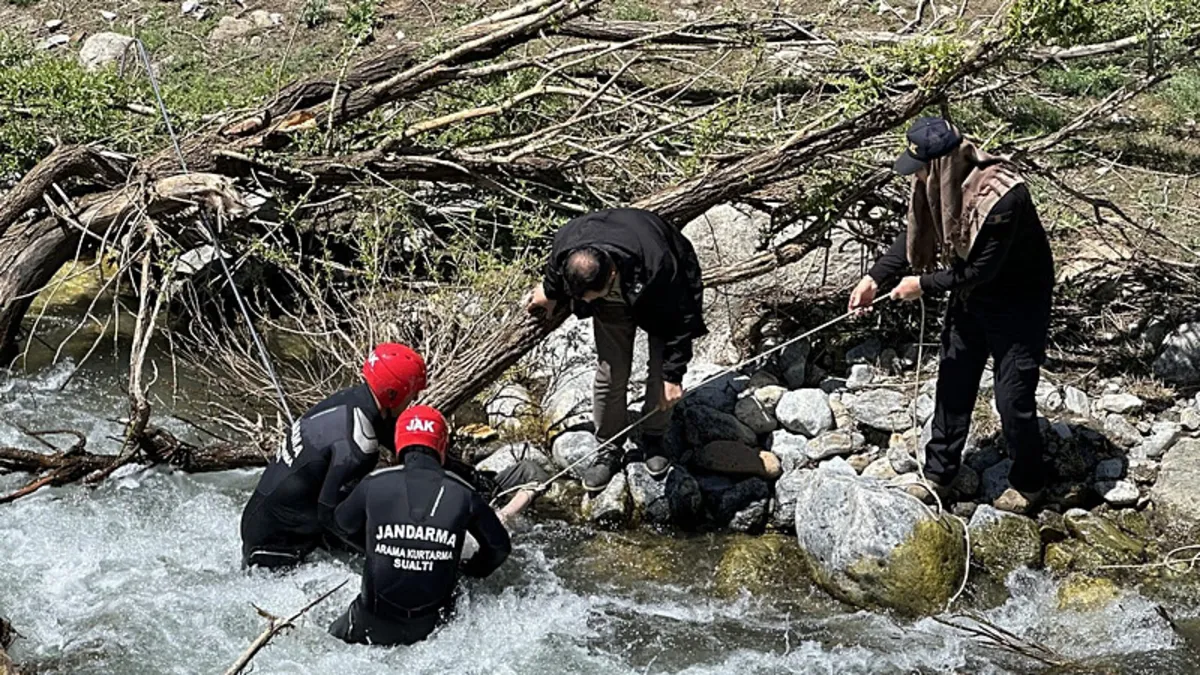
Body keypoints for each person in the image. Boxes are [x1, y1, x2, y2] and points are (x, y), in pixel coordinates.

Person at [848, 117, 1055, 514]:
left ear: (942, 163)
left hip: (1018, 302)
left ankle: (1030, 483)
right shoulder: (936, 184)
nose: (918, 175)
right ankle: (940, 474)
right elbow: (912, 236)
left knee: (1012, 399)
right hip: (970, 298)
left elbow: (980, 270)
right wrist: (875, 278)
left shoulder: (1002, 197)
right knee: (954, 380)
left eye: (922, 167)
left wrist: (920, 286)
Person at [526, 208, 707, 491]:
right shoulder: (566, 246)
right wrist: (549, 292)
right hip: (612, 304)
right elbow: (554, 274)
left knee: (661, 376)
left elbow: (682, 319)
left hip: (658, 295)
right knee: (610, 372)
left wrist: (674, 375)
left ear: (611, 271)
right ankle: (609, 446)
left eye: (593, 294)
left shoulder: (659, 263)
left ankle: (654, 437)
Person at [328, 405, 514, 647]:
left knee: (323, 640)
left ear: (398, 445)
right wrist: (469, 571)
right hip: (433, 630)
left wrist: (374, 549)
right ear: (442, 447)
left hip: (371, 622)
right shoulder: (465, 494)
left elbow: (340, 525)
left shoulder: (373, 484)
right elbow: (499, 548)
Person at [240, 343, 427, 569]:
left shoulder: (351, 399)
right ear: (393, 394)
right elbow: (332, 517)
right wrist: (389, 556)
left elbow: (401, 441)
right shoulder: (360, 445)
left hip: (262, 519)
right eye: (412, 396)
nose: (413, 402)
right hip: (277, 545)